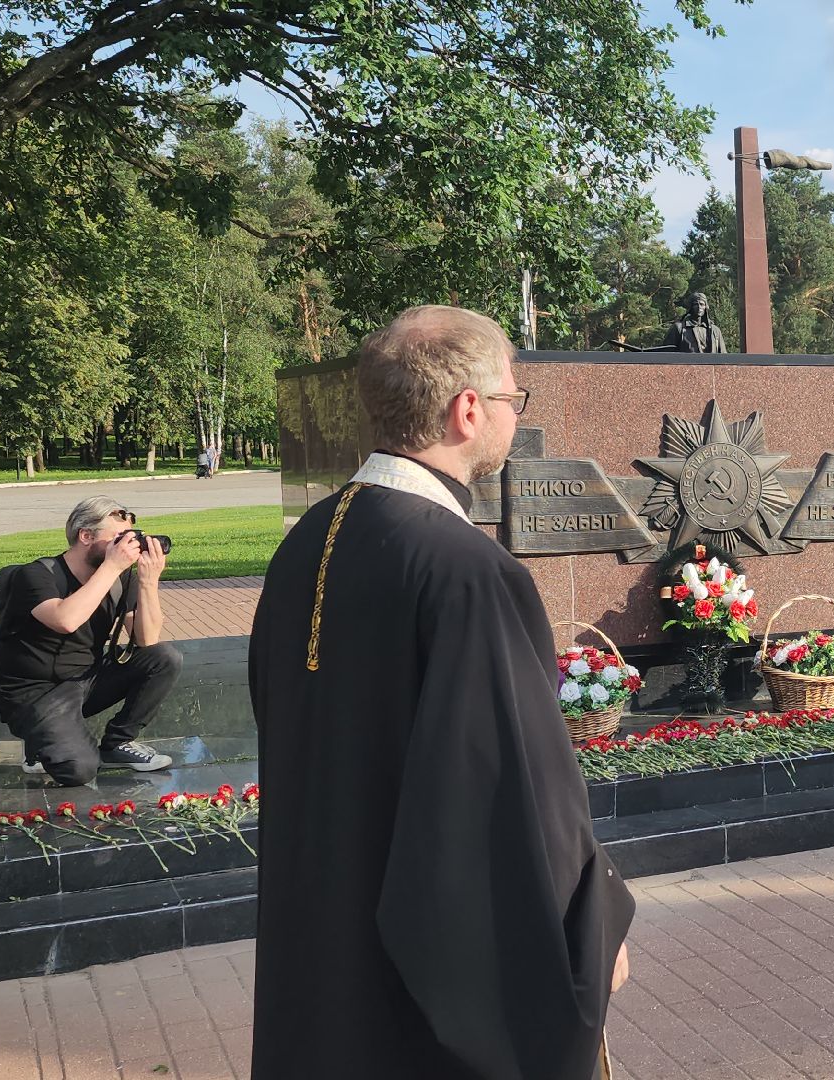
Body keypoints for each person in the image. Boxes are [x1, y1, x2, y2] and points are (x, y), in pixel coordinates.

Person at [247, 306, 636, 1077]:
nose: (511, 416)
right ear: (467, 410)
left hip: (322, 926)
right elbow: (511, 787)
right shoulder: (469, 571)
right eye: (511, 399)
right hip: (424, 970)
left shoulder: (307, 541)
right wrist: (585, 932)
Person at [0, 498, 177, 785]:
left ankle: (117, 743)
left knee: (164, 658)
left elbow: (147, 639)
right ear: (85, 536)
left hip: (85, 679)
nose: (126, 547)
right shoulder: (37, 575)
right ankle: (38, 743)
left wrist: (148, 582)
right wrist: (112, 567)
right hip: (36, 693)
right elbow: (65, 620)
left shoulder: (119, 578)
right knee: (80, 770)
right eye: (118, 538)